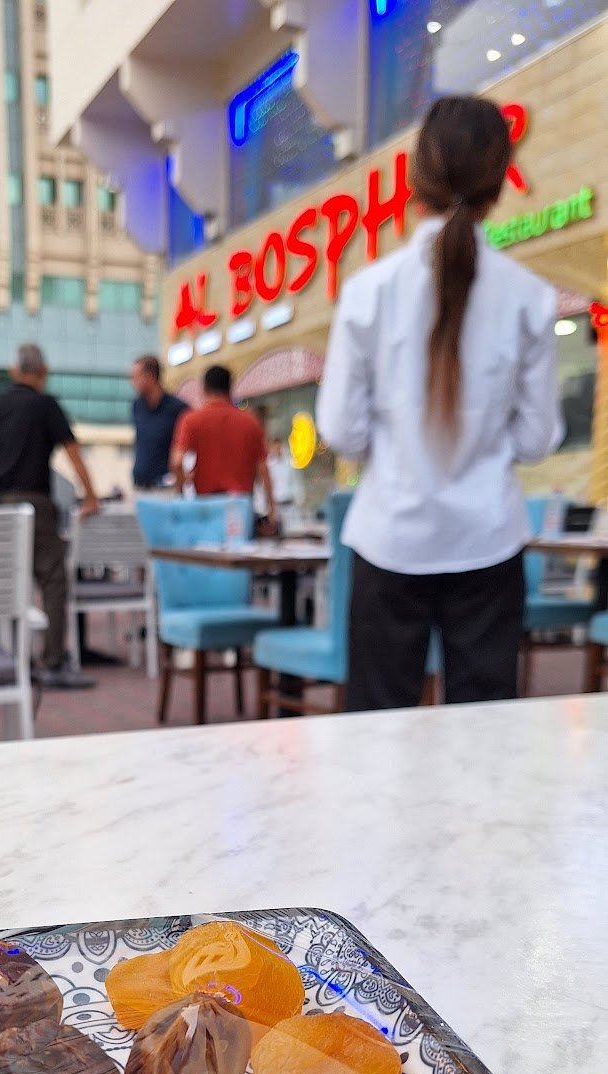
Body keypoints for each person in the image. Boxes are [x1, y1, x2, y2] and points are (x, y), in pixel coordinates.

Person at [317, 95, 562, 711]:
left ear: (413, 175)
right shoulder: (531, 298)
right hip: (488, 539)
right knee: (485, 732)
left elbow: (341, 430)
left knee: (376, 731)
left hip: (389, 535)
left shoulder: (367, 291)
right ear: (500, 183)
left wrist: (396, 450)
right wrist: (484, 448)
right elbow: (537, 439)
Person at [0, 343, 100, 689]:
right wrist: (91, 496)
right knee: (53, 581)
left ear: (14, 371)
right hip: (33, 503)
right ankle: (53, 662)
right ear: (43, 372)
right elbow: (74, 454)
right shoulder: (46, 405)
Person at [170, 365, 276, 527]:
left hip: (207, 507)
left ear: (204, 389)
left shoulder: (191, 420)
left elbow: (177, 462)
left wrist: (181, 492)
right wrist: (272, 509)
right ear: (230, 389)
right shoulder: (250, 422)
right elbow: (263, 468)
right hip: (241, 508)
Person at [130, 355, 187, 490]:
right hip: (140, 485)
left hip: (166, 487)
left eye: (136, 377)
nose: (132, 383)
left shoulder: (178, 409)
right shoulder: (137, 406)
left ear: (150, 376)